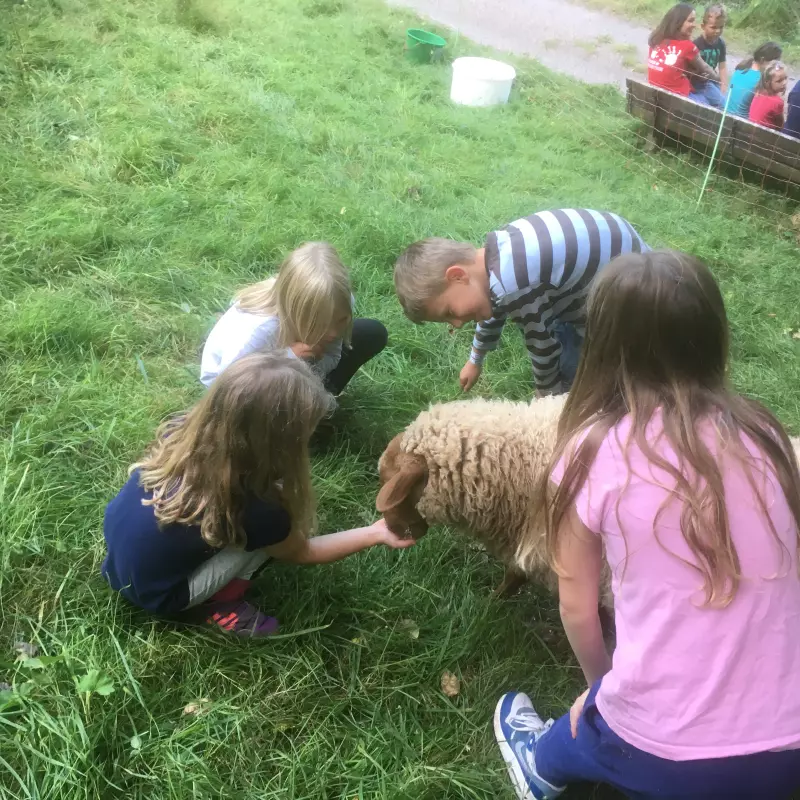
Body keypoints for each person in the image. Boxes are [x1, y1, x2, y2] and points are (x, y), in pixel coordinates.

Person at [493, 250, 800, 799]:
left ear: (603, 343)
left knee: (561, 746)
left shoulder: (591, 451)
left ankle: (539, 762)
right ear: (713, 335)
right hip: (788, 751)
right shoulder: (769, 438)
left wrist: (600, 694)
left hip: (661, 752)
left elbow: (578, 607)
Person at [102, 353, 414, 637]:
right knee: (262, 542)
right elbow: (301, 552)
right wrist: (375, 533)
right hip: (161, 594)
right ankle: (220, 605)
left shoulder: (181, 432)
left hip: (118, 563)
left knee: (244, 529)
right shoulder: (260, 508)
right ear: (282, 442)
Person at [394, 210, 649, 396]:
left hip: (633, 291)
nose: (457, 324)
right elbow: (494, 310)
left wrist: (545, 394)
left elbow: (543, 347)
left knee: (576, 377)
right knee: (547, 312)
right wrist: (476, 359)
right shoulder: (498, 255)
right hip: (620, 255)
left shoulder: (514, 284)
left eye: (450, 312)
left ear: (457, 276)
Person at [200, 241, 388, 397]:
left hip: (293, 364)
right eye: (320, 323)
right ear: (296, 311)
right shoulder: (260, 331)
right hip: (240, 386)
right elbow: (225, 389)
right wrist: (288, 360)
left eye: (341, 320)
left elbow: (333, 354)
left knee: (370, 332)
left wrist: (312, 366)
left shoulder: (339, 303)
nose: (333, 333)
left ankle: (311, 407)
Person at [647, 3, 719, 104]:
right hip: (679, 99)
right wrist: (719, 80)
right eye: (690, 21)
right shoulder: (687, 46)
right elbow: (705, 68)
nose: (694, 25)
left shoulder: (656, 40)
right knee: (717, 103)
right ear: (678, 22)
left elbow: (671, 69)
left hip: (656, 96)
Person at [726, 41, 783, 118]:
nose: (776, 66)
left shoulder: (743, 66)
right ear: (762, 60)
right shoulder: (762, 79)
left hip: (726, 113)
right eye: (774, 63)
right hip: (741, 121)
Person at [689, 4, 728, 108]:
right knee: (722, 104)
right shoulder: (696, 44)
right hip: (700, 82)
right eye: (713, 27)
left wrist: (723, 85)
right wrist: (696, 75)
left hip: (713, 79)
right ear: (703, 26)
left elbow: (722, 66)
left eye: (721, 27)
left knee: (726, 99)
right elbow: (688, 68)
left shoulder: (721, 44)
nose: (718, 31)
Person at [749, 61, 788, 130]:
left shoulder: (758, 93)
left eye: (785, 78)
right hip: (765, 137)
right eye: (779, 81)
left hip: (750, 131)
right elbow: (780, 125)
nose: (784, 83)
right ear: (768, 83)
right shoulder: (777, 102)